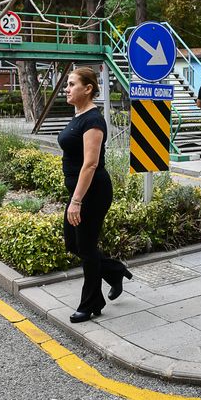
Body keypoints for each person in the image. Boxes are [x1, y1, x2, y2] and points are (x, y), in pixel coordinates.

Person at [59, 67, 131, 323]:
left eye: (71, 84)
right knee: (73, 243)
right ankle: (114, 270)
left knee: (86, 248)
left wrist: (76, 201)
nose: (66, 89)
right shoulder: (78, 115)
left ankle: (90, 303)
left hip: (93, 192)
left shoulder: (93, 120)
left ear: (88, 89)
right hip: (80, 190)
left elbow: (90, 164)